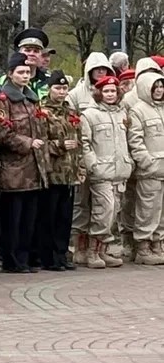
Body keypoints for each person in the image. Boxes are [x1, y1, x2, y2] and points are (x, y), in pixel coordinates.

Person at [0, 52, 50, 273]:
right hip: (14, 169)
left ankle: (24, 258)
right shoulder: (3, 100)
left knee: (28, 218)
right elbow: (3, 132)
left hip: (33, 168)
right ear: (10, 74)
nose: (25, 76)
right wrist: (27, 142)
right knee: (12, 219)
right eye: (21, 72)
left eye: (28, 72)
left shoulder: (31, 98)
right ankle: (11, 259)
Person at [79, 73, 132, 269]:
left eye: (113, 91)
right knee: (103, 211)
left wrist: (129, 163)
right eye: (106, 91)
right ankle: (92, 251)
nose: (110, 94)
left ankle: (103, 250)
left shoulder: (122, 113)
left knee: (113, 213)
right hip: (101, 172)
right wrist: (92, 164)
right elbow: (85, 143)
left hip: (120, 172)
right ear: (99, 93)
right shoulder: (90, 115)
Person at [39, 70, 83, 271]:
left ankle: (62, 254)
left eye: (65, 88)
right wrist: (61, 145)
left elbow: (80, 141)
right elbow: (42, 142)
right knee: (49, 217)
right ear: (49, 89)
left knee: (65, 218)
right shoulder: (43, 112)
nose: (62, 92)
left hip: (69, 172)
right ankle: (48, 257)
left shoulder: (71, 112)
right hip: (52, 171)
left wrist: (80, 166)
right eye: (57, 88)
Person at [125, 58, 164, 265]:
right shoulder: (138, 110)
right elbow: (135, 141)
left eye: (160, 86)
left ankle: (158, 242)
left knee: (161, 211)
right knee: (147, 209)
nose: (158, 90)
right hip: (150, 170)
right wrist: (147, 162)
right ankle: (143, 246)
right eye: (154, 87)